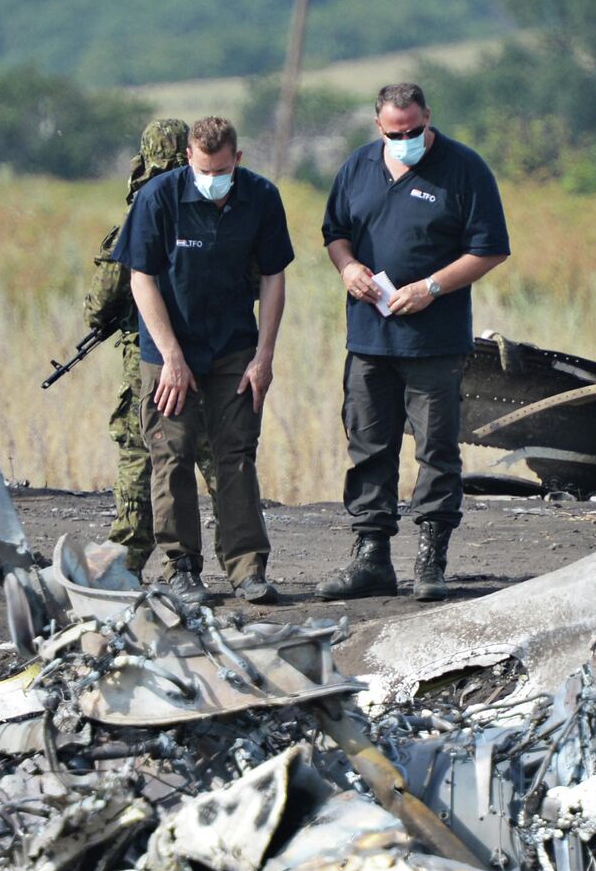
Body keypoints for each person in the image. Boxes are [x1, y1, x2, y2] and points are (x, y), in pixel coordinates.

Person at [316, 83, 510, 602]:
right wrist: (349, 266)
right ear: (378, 126)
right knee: (368, 447)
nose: (405, 140)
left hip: (434, 340)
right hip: (369, 337)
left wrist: (432, 288)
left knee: (437, 450)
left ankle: (431, 558)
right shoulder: (357, 167)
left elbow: (490, 249)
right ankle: (371, 556)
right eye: (394, 133)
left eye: (414, 131)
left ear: (429, 117)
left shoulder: (464, 169)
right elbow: (334, 232)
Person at [111, 116, 292, 605]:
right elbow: (140, 279)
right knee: (172, 454)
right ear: (189, 157)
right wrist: (171, 356)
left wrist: (264, 356)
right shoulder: (159, 198)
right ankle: (181, 567)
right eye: (203, 169)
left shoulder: (261, 197)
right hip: (170, 348)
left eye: (222, 169)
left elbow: (274, 277)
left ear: (238, 158)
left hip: (234, 345)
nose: (212, 179)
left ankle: (247, 568)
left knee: (236, 455)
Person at [85, 117, 191, 575]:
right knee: (213, 457)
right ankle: (229, 562)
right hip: (214, 348)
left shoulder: (142, 210)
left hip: (147, 356)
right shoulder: (214, 204)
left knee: (139, 451)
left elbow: (102, 299)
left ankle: (127, 558)